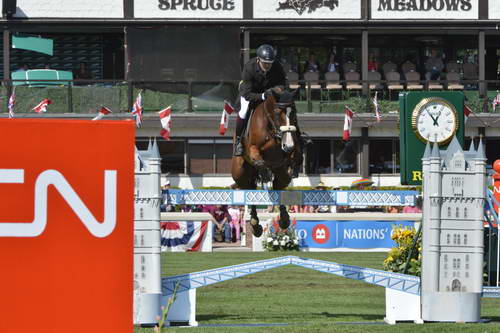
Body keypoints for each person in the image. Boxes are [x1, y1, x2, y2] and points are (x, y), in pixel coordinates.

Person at [233, 44, 311, 176]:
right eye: (265, 63)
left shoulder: (277, 66)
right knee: (243, 111)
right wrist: (263, 95)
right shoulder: (249, 68)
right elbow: (247, 94)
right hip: (252, 93)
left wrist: (277, 91)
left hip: (271, 93)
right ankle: (239, 141)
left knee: (289, 107)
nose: (268, 66)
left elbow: (282, 83)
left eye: (269, 63)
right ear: (258, 60)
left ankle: (298, 135)